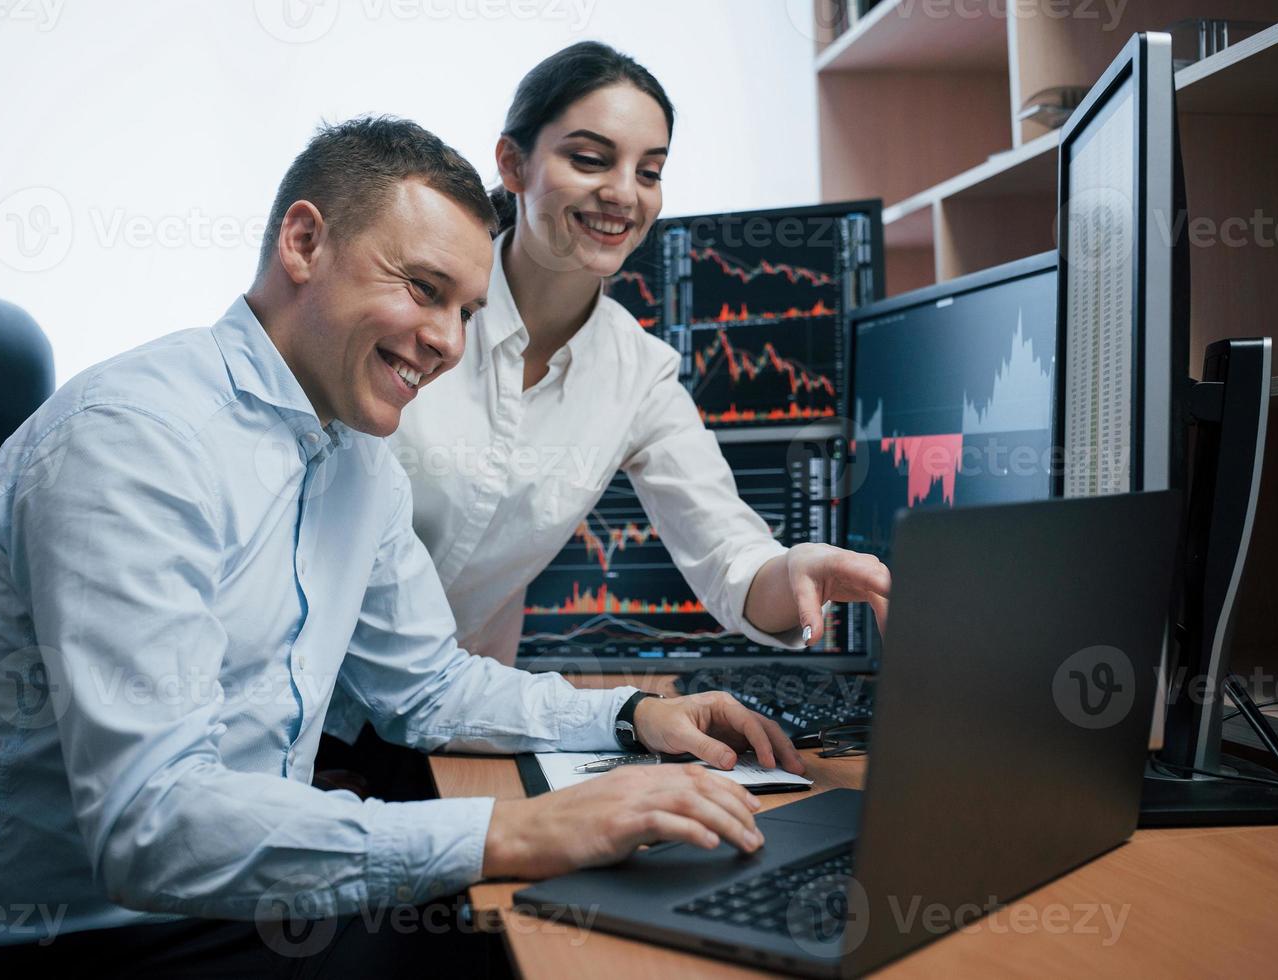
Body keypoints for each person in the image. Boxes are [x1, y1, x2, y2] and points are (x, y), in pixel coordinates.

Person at [0, 115, 806, 977]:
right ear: (303, 243)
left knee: (594, 919)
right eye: (422, 289)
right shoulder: (133, 439)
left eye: (466, 309)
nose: (449, 343)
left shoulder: (356, 459)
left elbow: (427, 688)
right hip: (59, 946)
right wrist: (517, 830)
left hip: (233, 909)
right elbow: (153, 824)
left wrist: (633, 718)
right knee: (546, 949)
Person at [322, 43, 892, 758]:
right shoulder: (414, 317)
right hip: (299, 707)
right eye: (590, 160)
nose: (624, 192)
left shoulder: (637, 372)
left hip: (454, 724)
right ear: (511, 164)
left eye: (649, 171)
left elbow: (730, 559)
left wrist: (795, 570)